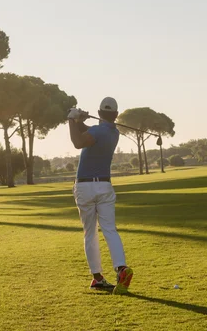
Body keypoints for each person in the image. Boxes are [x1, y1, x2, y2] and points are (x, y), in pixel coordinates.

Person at [67, 97, 133, 294]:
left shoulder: (96, 131)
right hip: (104, 186)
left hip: (85, 186)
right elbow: (90, 133)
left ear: (99, 112)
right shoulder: (113, 133)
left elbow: (78, 142)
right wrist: (80, 121)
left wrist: (71, 119)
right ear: (116, 115)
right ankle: (121, 268)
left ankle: (97, 278)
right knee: (110, 229)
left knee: (90, 233)